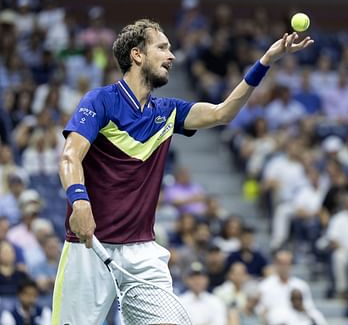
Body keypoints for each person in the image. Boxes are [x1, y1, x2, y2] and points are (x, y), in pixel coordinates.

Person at [52, 18, 313, 324]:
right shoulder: (101, 101)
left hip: (142, 253)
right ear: (137, 55)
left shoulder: (167, 111)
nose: (171, 55)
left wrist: (265, 61)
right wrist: (79, 201)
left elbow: (222, 112)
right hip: (89, 247)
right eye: (162, 47)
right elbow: (70, 156)